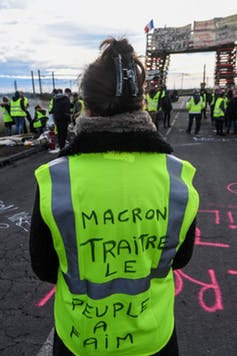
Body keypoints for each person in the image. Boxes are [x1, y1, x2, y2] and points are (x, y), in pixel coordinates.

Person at [30, 37, 199, 356]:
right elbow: (180, 258)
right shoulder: (178, 177)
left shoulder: (55, 178)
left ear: (86, 105)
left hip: (81, 337)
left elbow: (43, 267)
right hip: (153, 337)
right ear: (142, 103)